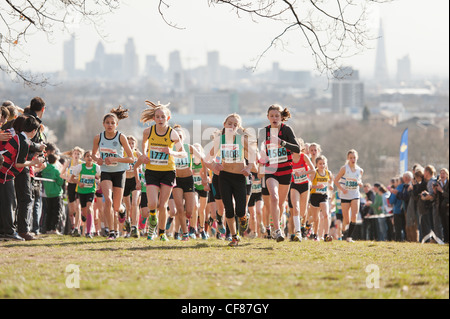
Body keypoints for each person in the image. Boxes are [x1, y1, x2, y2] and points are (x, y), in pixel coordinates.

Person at [206, 113, 256, 246]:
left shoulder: (240, 140)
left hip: (239, 177)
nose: (232, 126)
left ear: (238, 128)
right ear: (224, 125)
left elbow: (252, 153)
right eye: (230, 123)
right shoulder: (219, 140)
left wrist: (249, 167)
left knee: (240, 210)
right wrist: (214, 164)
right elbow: (207, 157)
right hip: (224, 177)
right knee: (228, 209)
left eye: (235, 125)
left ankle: (244, 217)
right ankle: (234, 237)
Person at [139, 100, 185, 241]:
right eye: (157, 117)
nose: (160, 119)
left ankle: (161, 233)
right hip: (152, 170)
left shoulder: (172, 134)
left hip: (168, 171)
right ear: (154, 118)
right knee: (152, 203)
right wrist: (144, 154)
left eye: (163, 117)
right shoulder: (148, 131)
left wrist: (171, 152)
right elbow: (144, 143)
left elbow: (183, 153)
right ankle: (153, 216)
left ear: (168, 118)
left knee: (163, 204)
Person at [92, 105, 135, 240]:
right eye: (107, 123)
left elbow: (131, 158)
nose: (110, 125)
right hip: (106, 172)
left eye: (112, 123)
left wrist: (115, 158)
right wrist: (97, 159)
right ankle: (111, 231)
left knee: (116, 206)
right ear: (103, 124)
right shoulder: (98, 138)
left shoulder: (121, 137)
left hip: (119, 172)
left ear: (116, 124)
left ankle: (122, 211)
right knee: (108, 201)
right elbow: (93, 155)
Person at [258, 104, 300, 242]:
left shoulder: (287, 130)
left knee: (281, 203)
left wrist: (282, 143)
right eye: (272, 116)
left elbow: (297, 149)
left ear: (282, 117)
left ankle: (276, 224)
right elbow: (259, 147)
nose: (274, 118)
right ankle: (277, 230)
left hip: (285, 171)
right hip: (271, 170)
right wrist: (262, 154)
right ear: (268, 117)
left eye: (277, 116)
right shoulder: (264, 131)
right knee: (274, 198)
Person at [0, 115, 44, 241]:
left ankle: (6, 231)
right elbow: (18, 164)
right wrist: (33, 162)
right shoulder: (23, 142)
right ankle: (9, 232)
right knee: (9, 203)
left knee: (9, 202)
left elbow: (32, 144)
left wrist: (39, 147)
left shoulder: (20, 137)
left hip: (5, 172)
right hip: (6, 173)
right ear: (34, 131)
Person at [14, 97, 46, 241]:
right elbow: (20, 161)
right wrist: (35, 161)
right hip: (23, 166)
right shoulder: (35, 124)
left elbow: (28, 142)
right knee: (26, 198)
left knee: (19, 199)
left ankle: (17, 229)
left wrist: (37, 147)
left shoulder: (22, 120)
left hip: (21, 166)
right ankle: (23, 230)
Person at [70, 150, 101, 238]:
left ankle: (89, 232)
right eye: (87, 156)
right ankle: (84, 223)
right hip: (81, 191)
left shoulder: (96, 168)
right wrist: (79, 183)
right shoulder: (80, 167)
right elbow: (72, 178)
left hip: (91, 191)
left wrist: (98, 182)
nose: (89, 158)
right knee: (84, 213)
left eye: (91, 156)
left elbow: (100, 177)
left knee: (89, 208)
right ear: (84, 158)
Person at [334, 149, 364, 242]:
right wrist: (342, 189)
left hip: (355, 195)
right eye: (351, 158)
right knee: (346, 220)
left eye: (354, 157)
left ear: (357, 158)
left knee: (354, 216)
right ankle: (343, 229)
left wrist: (360, 183)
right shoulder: (344, 168)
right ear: (348, 158)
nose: (353, 159)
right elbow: (336, 180)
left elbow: (360, 181)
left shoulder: (360, 170)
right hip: (345, 196)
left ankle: (349, 237)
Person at [289, 137, 315, 241]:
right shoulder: (289, 157)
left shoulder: (304, 157)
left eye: (299, 146)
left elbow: (313, 170)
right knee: (295, 208)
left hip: (304, 185)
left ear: (301, 147)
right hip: (294, 185)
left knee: (303, 212)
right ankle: (298, 232)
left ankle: (302, 225)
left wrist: (302, 173)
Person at [309, 155, 334, 241]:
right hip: (314, 196)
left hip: (324, 196)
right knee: (316, 218)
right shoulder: (314, 173)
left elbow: (331, 181)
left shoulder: (328, 173)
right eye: (320, 164)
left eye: (324, 163)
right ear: (316, 164)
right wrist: (317, 186)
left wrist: (331, 186)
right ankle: (314, 233)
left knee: (326, 215)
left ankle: (326, 235)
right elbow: (309, 185)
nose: (322, 165)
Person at [60, 146, 84, 237]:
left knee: (78, 207)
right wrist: (68, 178)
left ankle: (77, 228)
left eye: (78, 154)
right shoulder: (68, 163)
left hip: (79, 185)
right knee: (72, 209)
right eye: (75, 153)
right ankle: (74, 226)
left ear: (81, 155)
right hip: (71, 185)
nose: (76, 155)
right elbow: (61, 174)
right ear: (72, 155)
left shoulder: (82, 164)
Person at [122, 135, 142, 238]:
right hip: (124, 181)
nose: (130, 145)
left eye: (132, 143)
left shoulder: (138, 154)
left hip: (135, 180)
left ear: (135, 145)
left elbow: (143, 167)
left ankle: (135, 227)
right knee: (127, 206)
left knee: (135, 202)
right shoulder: (122, 154)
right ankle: (128, 222)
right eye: (128, 143)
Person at [41, 153, 65, 235]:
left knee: (49, 211)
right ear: (55, 161)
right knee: (57, 212)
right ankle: (54, 229)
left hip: (48, 193)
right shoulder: (55, 170)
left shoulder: (44, 170)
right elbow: (60, 182)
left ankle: (47, 228)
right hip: (56, 193)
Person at [434, 168, 449, 243]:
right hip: (441, 208)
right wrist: (435, 190)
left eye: (444, 173)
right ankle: (446, 241)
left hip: (447, 207)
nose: (442, 175)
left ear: (447, 175)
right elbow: (436, 197)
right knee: (444, 225)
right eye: (441, 173)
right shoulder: (438, 183)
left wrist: (442, 190)